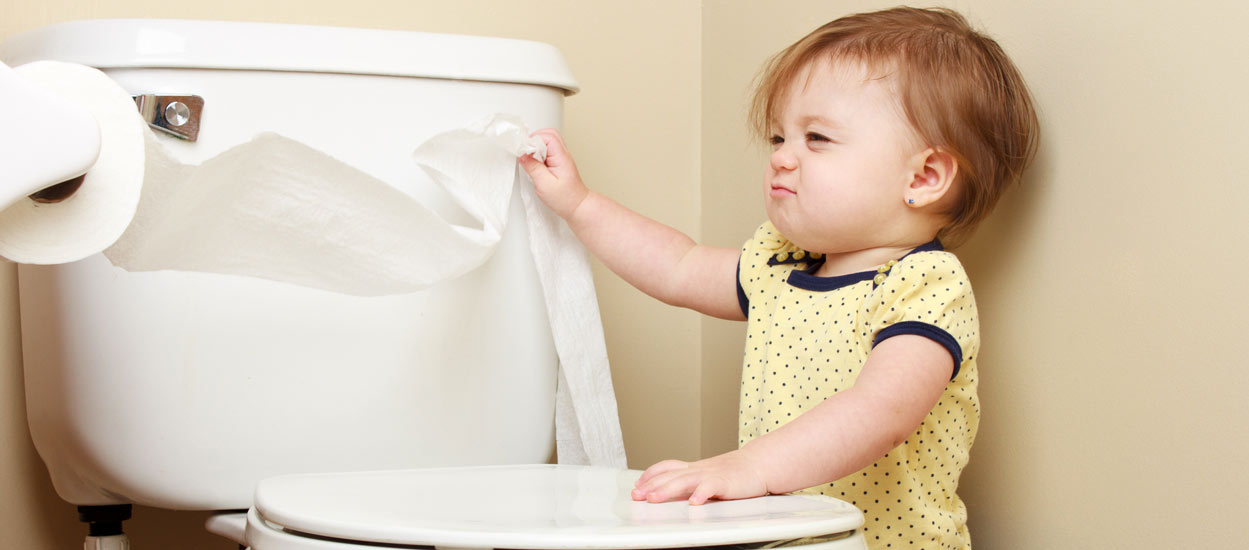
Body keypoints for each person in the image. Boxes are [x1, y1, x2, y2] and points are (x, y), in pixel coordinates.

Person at [520, 6, 1038, 548]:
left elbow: (883, 410)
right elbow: (678, 265)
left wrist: (753, 467)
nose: (782, 159)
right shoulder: (781, 263)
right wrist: (579, 205)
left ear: (925, 177)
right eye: (777, 138)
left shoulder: (924, 284)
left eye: (816, 139)